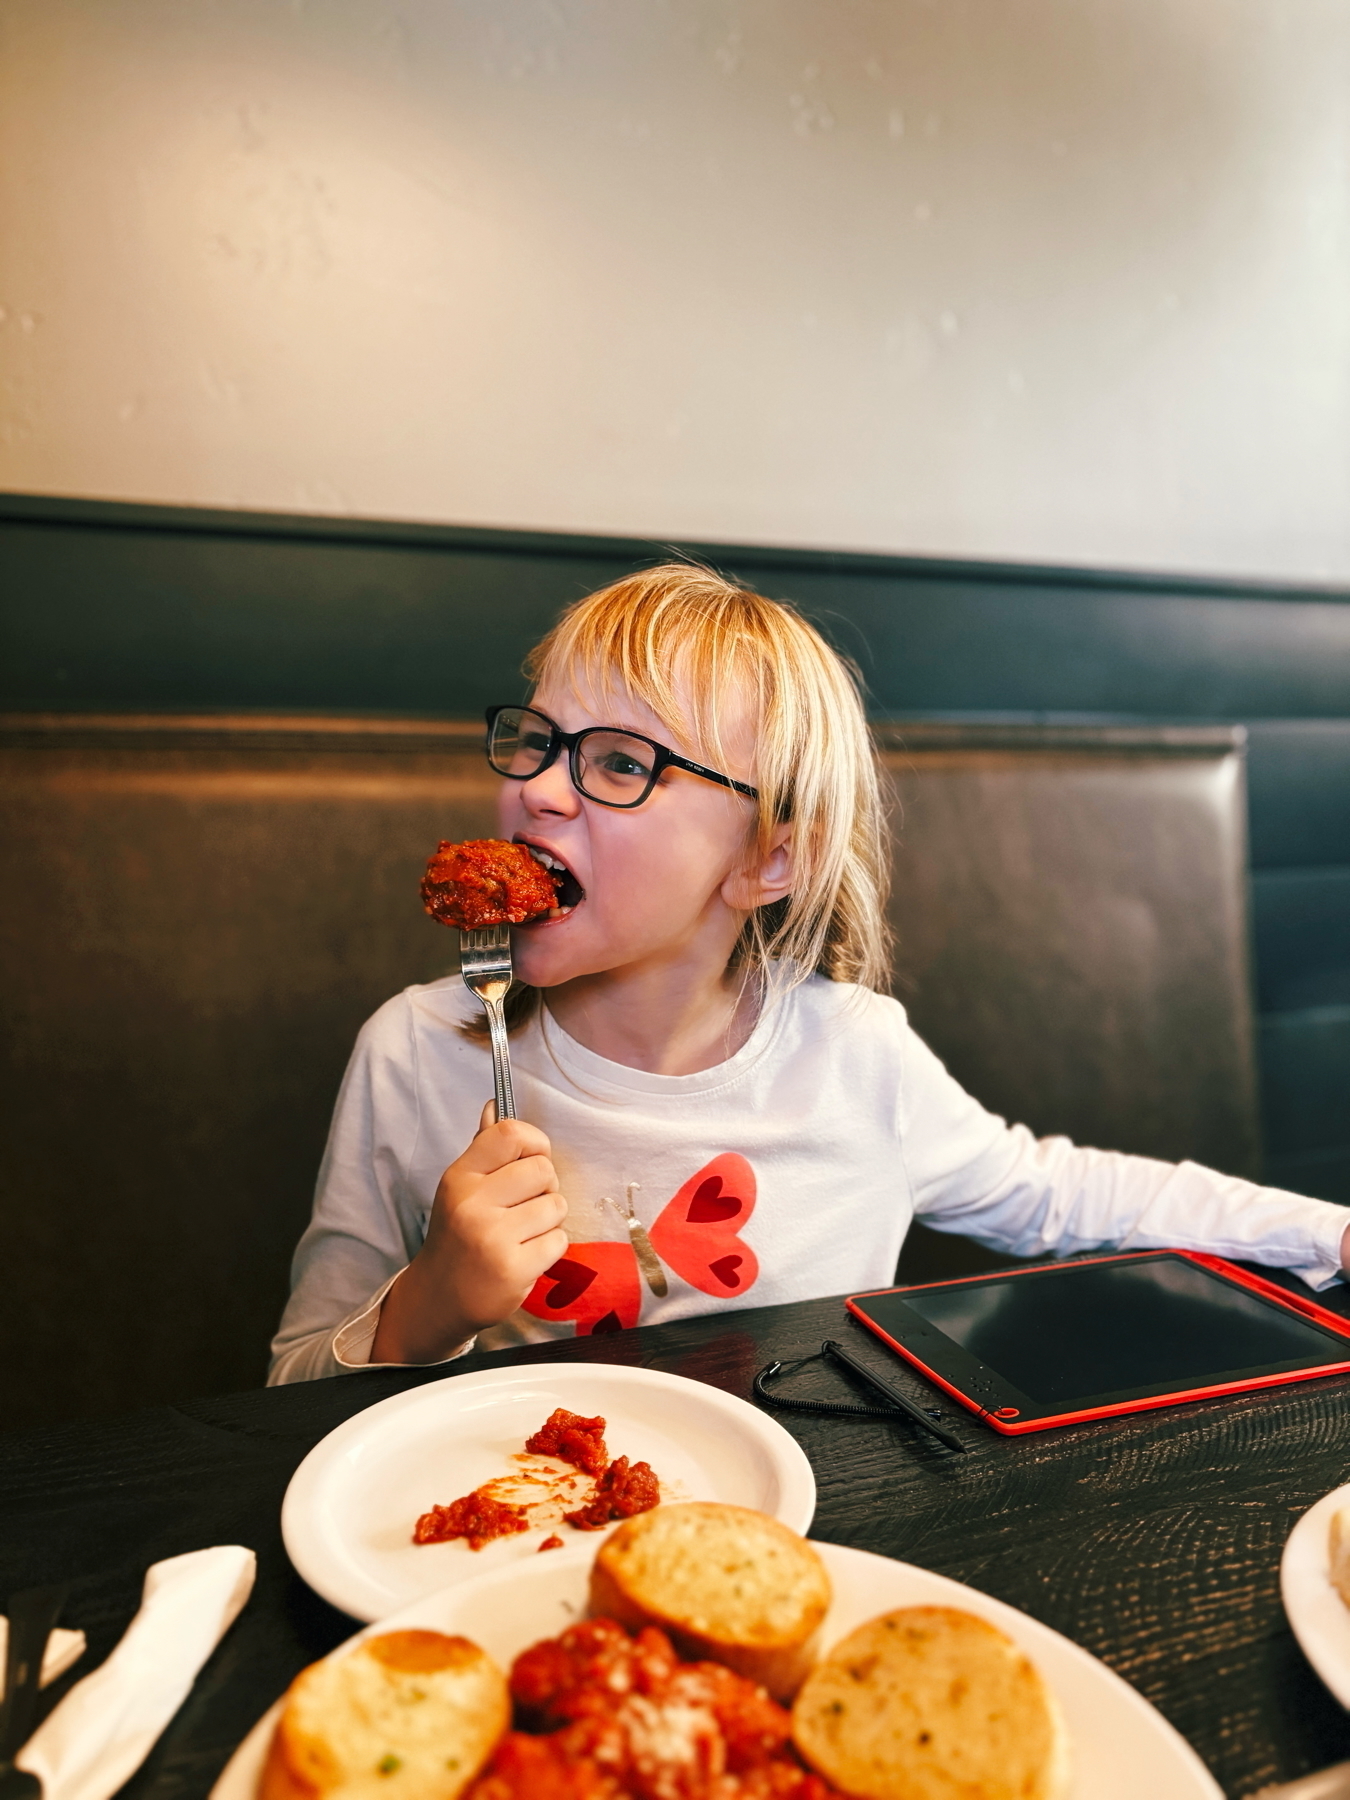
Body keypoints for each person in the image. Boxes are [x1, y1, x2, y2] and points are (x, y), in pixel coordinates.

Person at [268, 564, 1349, 1383]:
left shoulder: (854, 1057)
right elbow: (287, 1381)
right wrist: (427, 1309)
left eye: (618, 763)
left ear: (766, 859)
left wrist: (1326, 1232)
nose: (542, 791)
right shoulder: (418, 1050)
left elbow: (1067, 1196)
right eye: (538, 741)